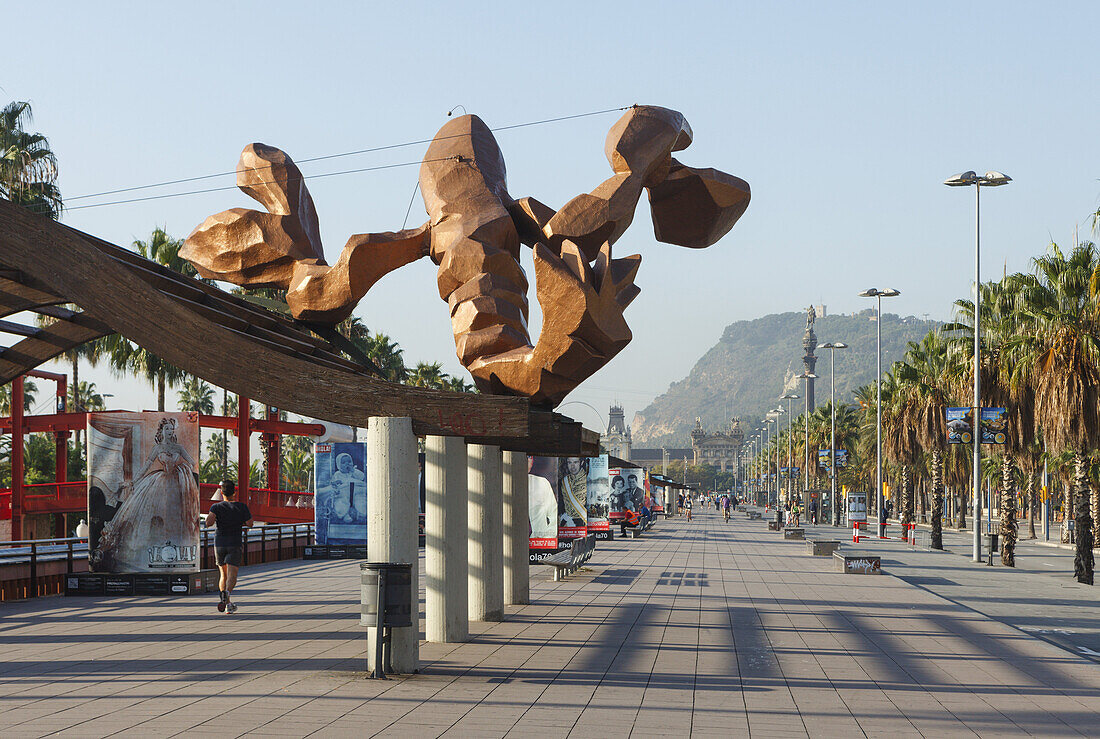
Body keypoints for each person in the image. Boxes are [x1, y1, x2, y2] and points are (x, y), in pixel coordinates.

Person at [205, 479, 253, 614]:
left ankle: (227, 604)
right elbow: (250, 523)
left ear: (221, 492)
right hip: (235, 542)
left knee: (223, 575)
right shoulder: (241, 507)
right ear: (234, 492)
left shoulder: (216, 507)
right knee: (232, 575)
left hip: (219, 543)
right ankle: (227, 593)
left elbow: (208, 522)